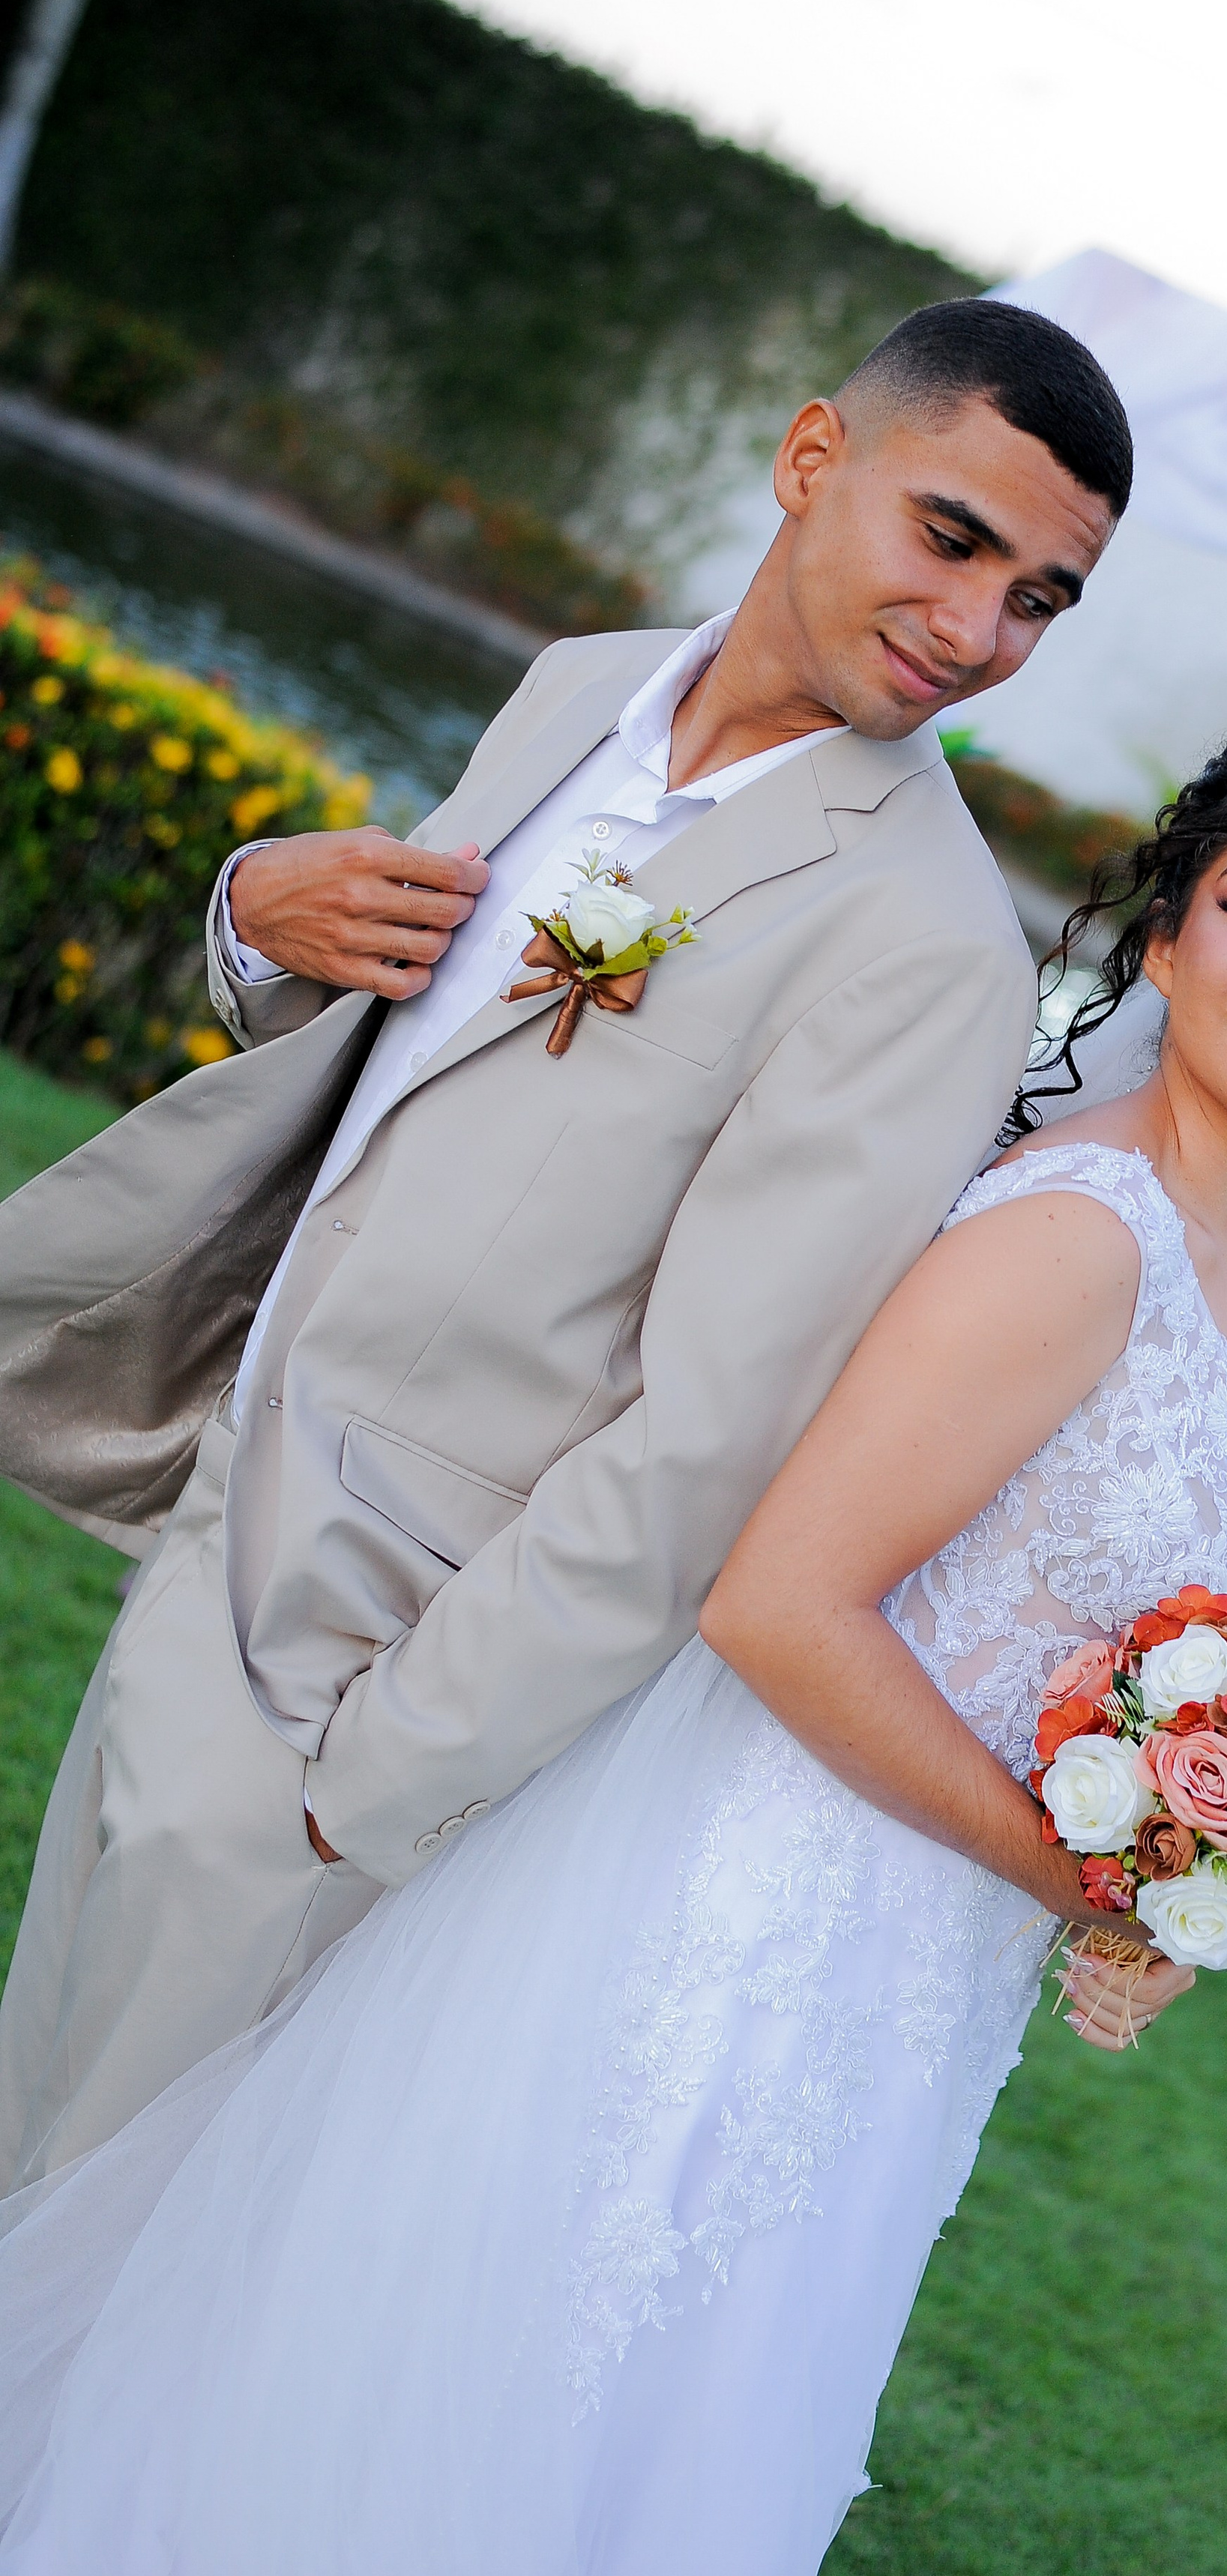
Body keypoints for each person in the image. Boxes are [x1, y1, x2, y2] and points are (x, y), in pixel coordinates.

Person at [0, 694, 1227, 2570]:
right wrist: (1083, 1871)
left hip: (883, 1993)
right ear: (1163, 935)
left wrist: (1201, 1844)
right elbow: (780, 1605)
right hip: (723, 1931)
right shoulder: (1075, 1239)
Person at [0, 297, 1133, 2191]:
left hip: (357, 1667)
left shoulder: (929, 950)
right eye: (953, 540)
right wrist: (260, 920)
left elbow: (707, 1445)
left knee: (96, 2235)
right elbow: (425, 1067)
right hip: (213, 1507)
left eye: (1038, 600)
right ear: (806, 460)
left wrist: (358, 1789)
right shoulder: (575, 690)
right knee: (31, 2119)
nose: (975, 632)